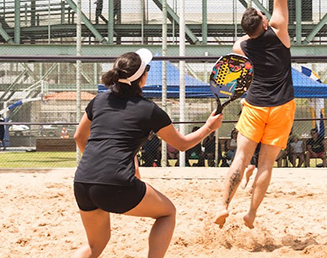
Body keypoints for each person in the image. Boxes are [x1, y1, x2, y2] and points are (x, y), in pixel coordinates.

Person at [72, 48, 223, 258]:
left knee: (95, 245)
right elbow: (181, 144)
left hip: (83, 181)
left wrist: (99, 165)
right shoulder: (149, 110)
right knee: (167, 213)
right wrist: (208, 127)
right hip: (115, 183)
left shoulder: (99, 101)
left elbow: (79, 137)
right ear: (142, 79)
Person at [214, 0, 295, 230]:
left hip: (255, 105)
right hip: (282, 106)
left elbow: (233, 68)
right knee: (265, 165)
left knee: (240, 159)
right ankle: (250, 214)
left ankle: (223, 205)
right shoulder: (280, 30)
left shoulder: (242, 46)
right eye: (263, 14)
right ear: (264, 23)